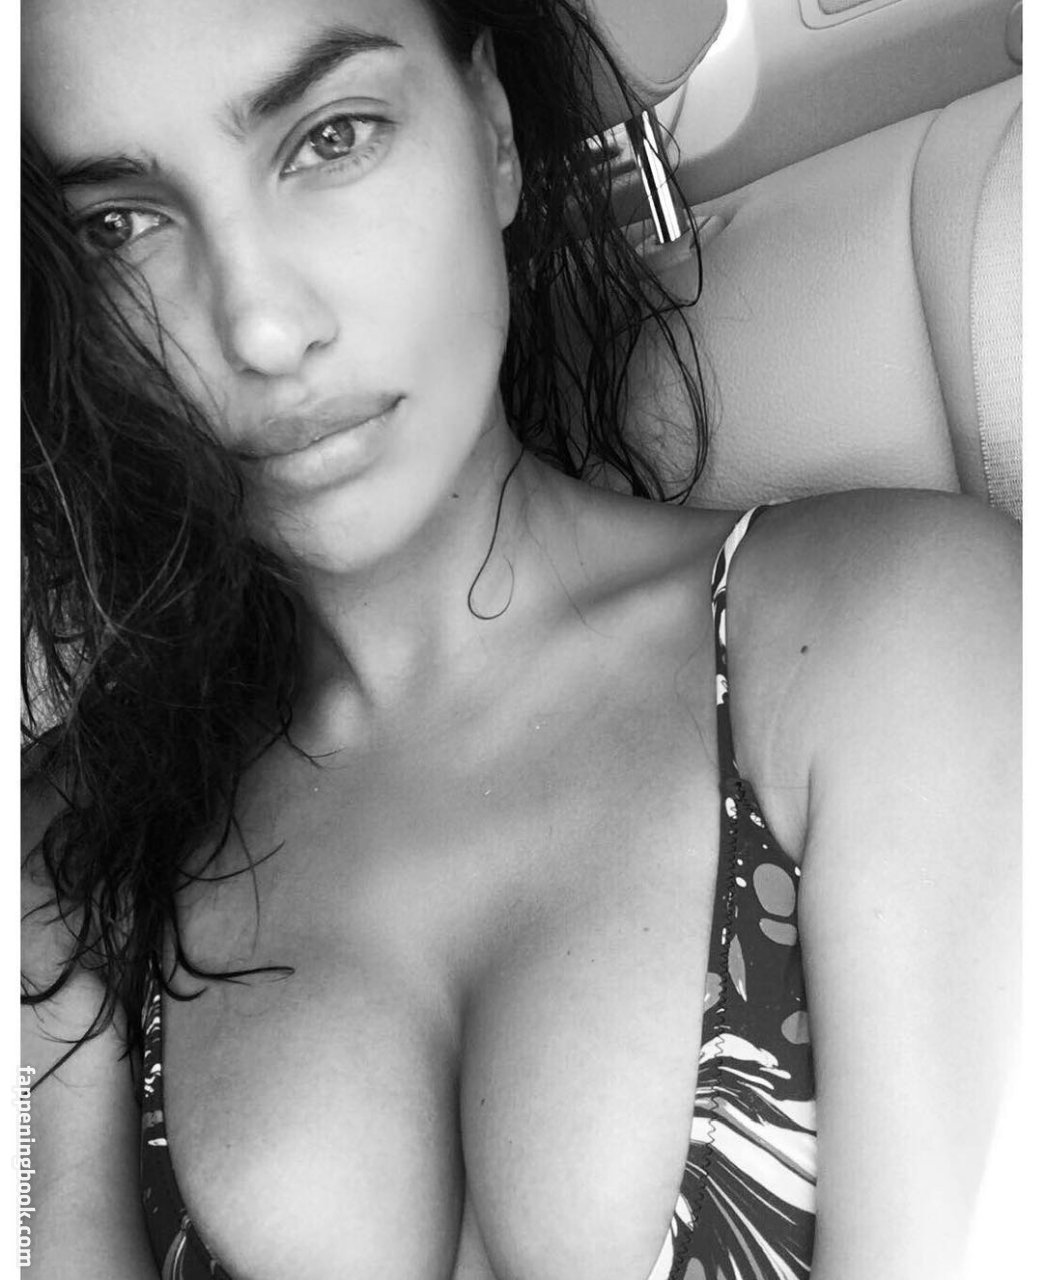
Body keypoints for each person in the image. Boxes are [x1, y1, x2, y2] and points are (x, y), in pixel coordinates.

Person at [20, 1, 1019, 1278]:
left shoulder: (886, 636)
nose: (261, 326)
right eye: (118, 225)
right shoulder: (69, 866)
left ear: (492, 131)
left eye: (332, 137)